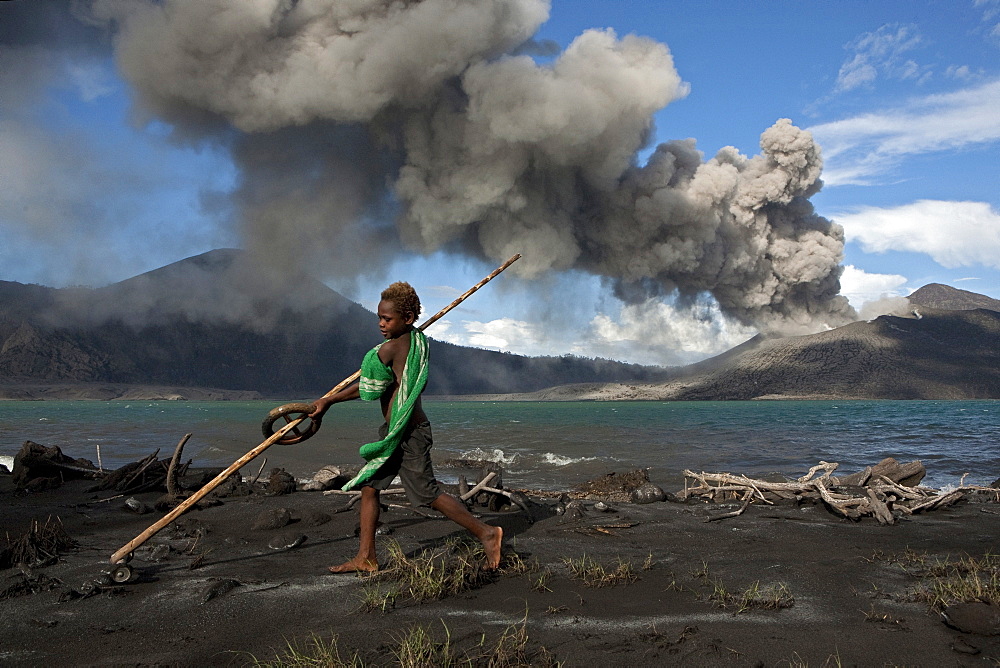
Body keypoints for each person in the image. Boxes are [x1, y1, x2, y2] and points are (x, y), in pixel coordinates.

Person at [309, 281, 503, 573]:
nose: (381, 324)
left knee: (426, 494)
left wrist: (328, 400)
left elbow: (366, 388)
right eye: (379, 317)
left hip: (409, 434)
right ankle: (366, 557)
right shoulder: (415, 340)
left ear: (408, 318)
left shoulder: (390, 349)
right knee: (370, 487)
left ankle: (487, 533)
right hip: (394, 434)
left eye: (387, 319)